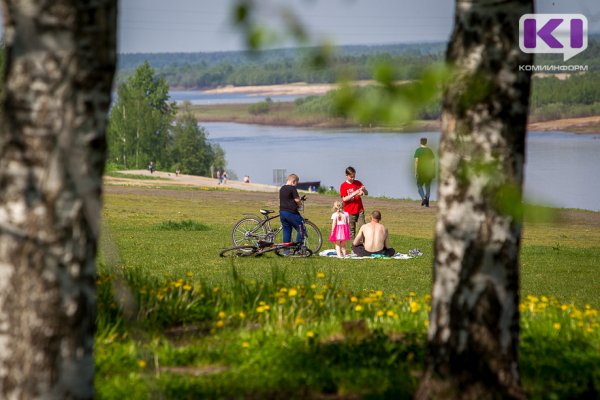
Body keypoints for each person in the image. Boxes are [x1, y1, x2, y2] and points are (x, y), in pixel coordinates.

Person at [339, 166, 368, 240]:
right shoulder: (343, 186)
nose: (352, 179)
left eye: (354, 177)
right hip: (350, 211)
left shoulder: (357, 183)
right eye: (351, 177)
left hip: (359, 209)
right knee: (351, 230)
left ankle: (363, 245)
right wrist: (354, 193)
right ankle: (353, 247)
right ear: (346, 175)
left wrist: (363, 191)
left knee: (363, 227)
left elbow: (366, 193)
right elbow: (344, 199)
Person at [279, 173, 306, 247]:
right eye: (296, 183)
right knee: (302, 227)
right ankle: (298, 248)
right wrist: (300, 204)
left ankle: (286, 251)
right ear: (293, 181)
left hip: (282, 212)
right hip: (291, 213)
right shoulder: (292, 188)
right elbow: (297, 200)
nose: (296, 185)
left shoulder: (282, 188)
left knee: (287, 231)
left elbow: (288, 199)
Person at [414, 137, 435, 207]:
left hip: (420, 172)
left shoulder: (418, 150)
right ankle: (427, 203)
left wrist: (416, 171)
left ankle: (423, 198)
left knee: (419, 186)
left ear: (420, 142)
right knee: (428, 186)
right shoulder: (429, 151)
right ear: (426, 142)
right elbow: (433, 162)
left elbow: (416, 161)